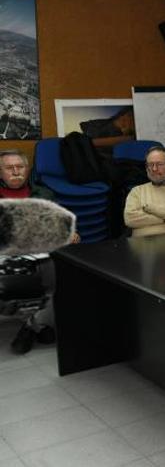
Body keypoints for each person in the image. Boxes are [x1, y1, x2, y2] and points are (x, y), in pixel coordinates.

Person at [0, 149, 79, 354]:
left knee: (54, 273)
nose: (16, 172)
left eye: (20, 167)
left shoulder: (44, 195)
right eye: (9, 168)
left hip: (38, 253)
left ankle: (30, 327)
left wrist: (70, 234)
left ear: (27, 170)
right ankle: (37, 327)